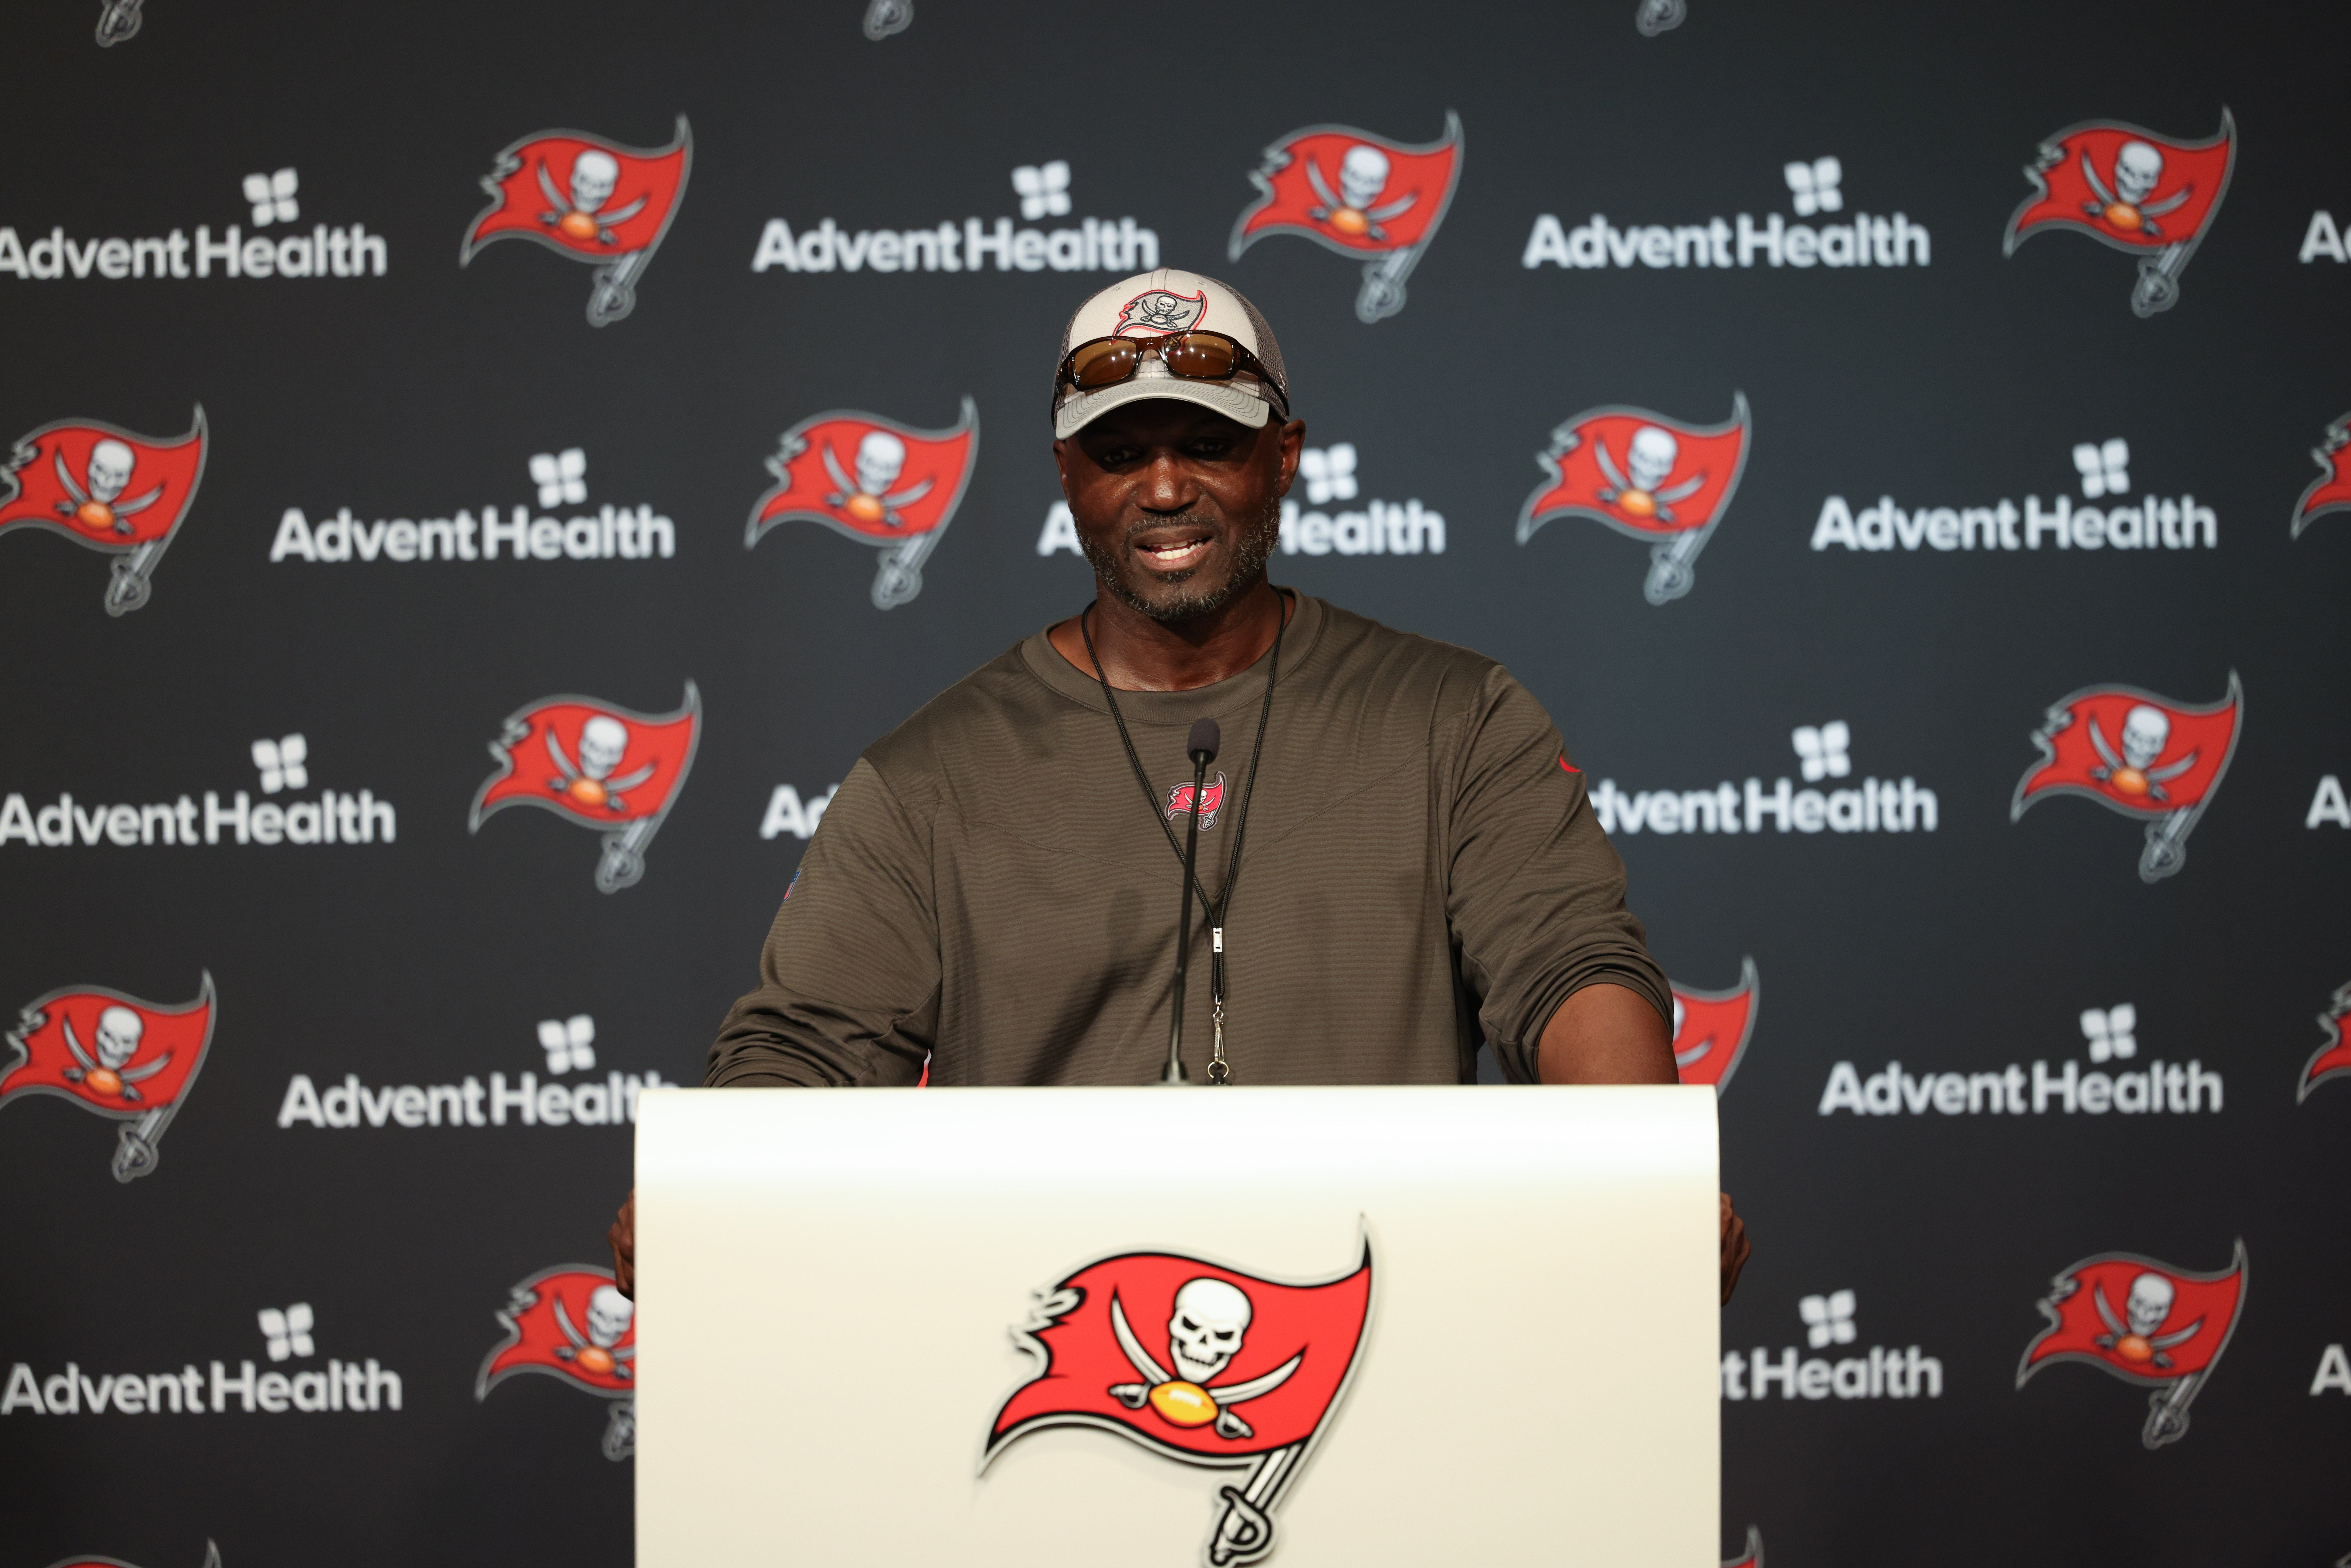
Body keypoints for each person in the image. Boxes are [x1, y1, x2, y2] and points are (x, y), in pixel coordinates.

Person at [610, 268, 1749, 1299]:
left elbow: (1567, 963)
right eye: (1117, 453)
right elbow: (808, 1049)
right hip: (1028, 1346)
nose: (1161, 489)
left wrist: (1639, 1173)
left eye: (1205, 442)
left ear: (1283, 454)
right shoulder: (928, 777)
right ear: (1066, 474)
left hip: (1381, 1332)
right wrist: (704, 1196)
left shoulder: (1453, 720)